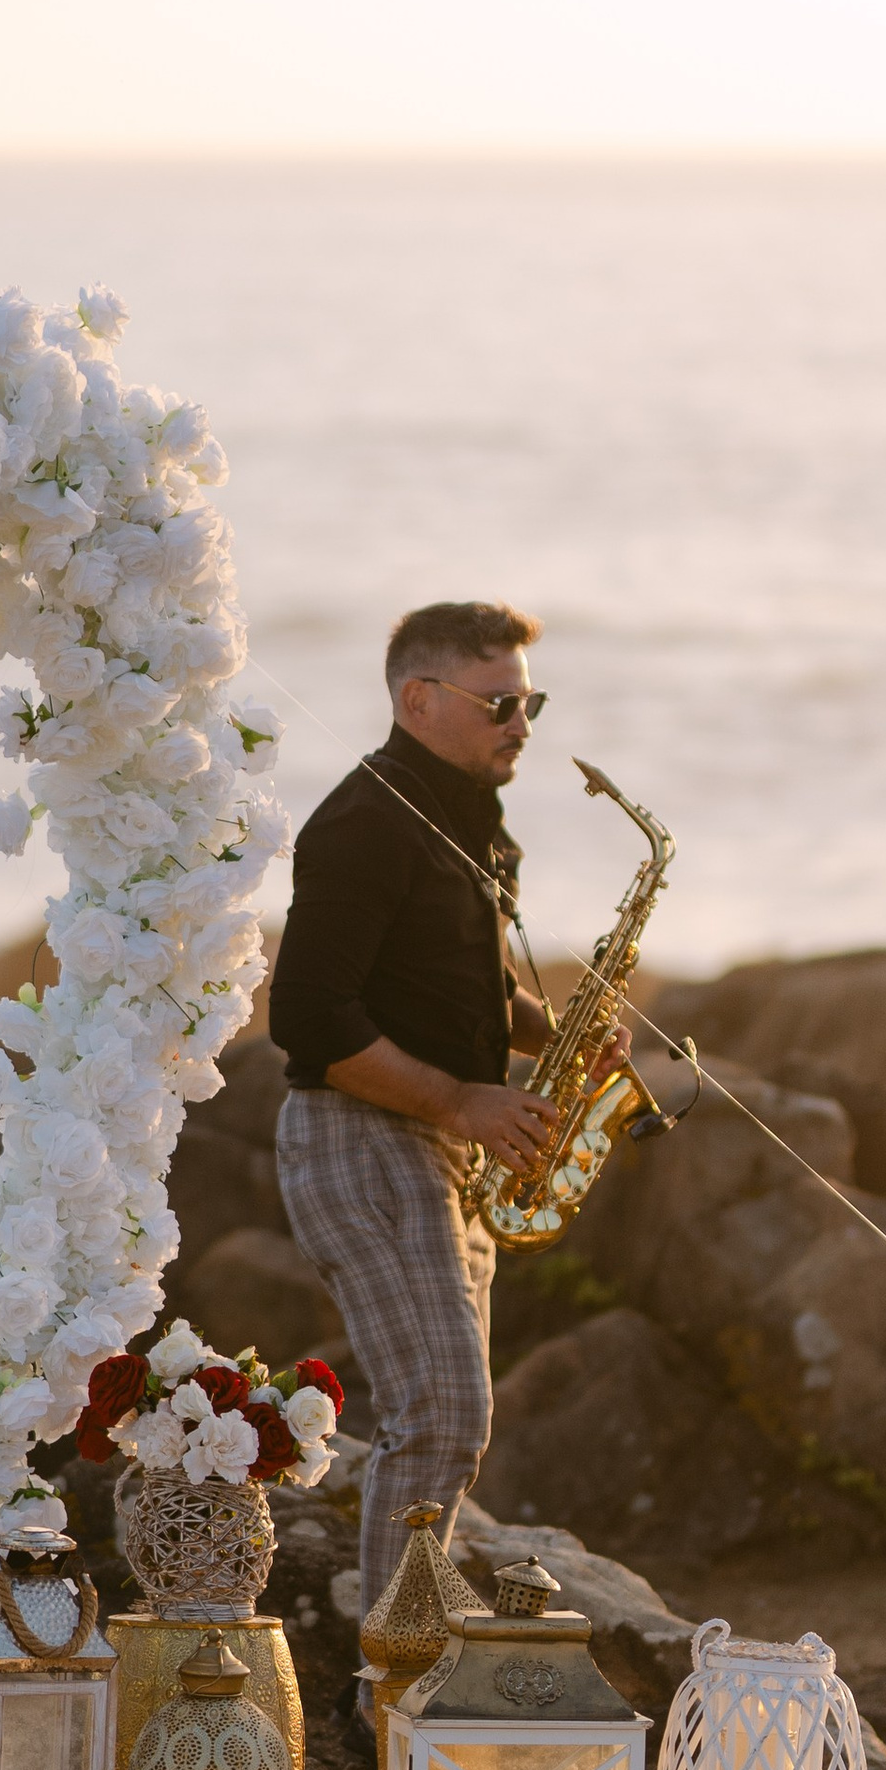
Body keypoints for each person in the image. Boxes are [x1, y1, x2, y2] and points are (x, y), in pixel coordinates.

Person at [269, 598, 620, 1651]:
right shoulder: (363, 824)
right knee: (442, 1417)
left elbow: (453, 987)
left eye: (530, 701)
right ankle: (399, 1671)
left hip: (430, 1140)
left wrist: (556, 1037)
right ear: (419, 699)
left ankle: (414, 1634)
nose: (522, 722)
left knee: (449, 1424)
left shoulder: (468, 815)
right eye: (500, 702)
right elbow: (311, 1020)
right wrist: (462, 1099)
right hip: (361, 1131)